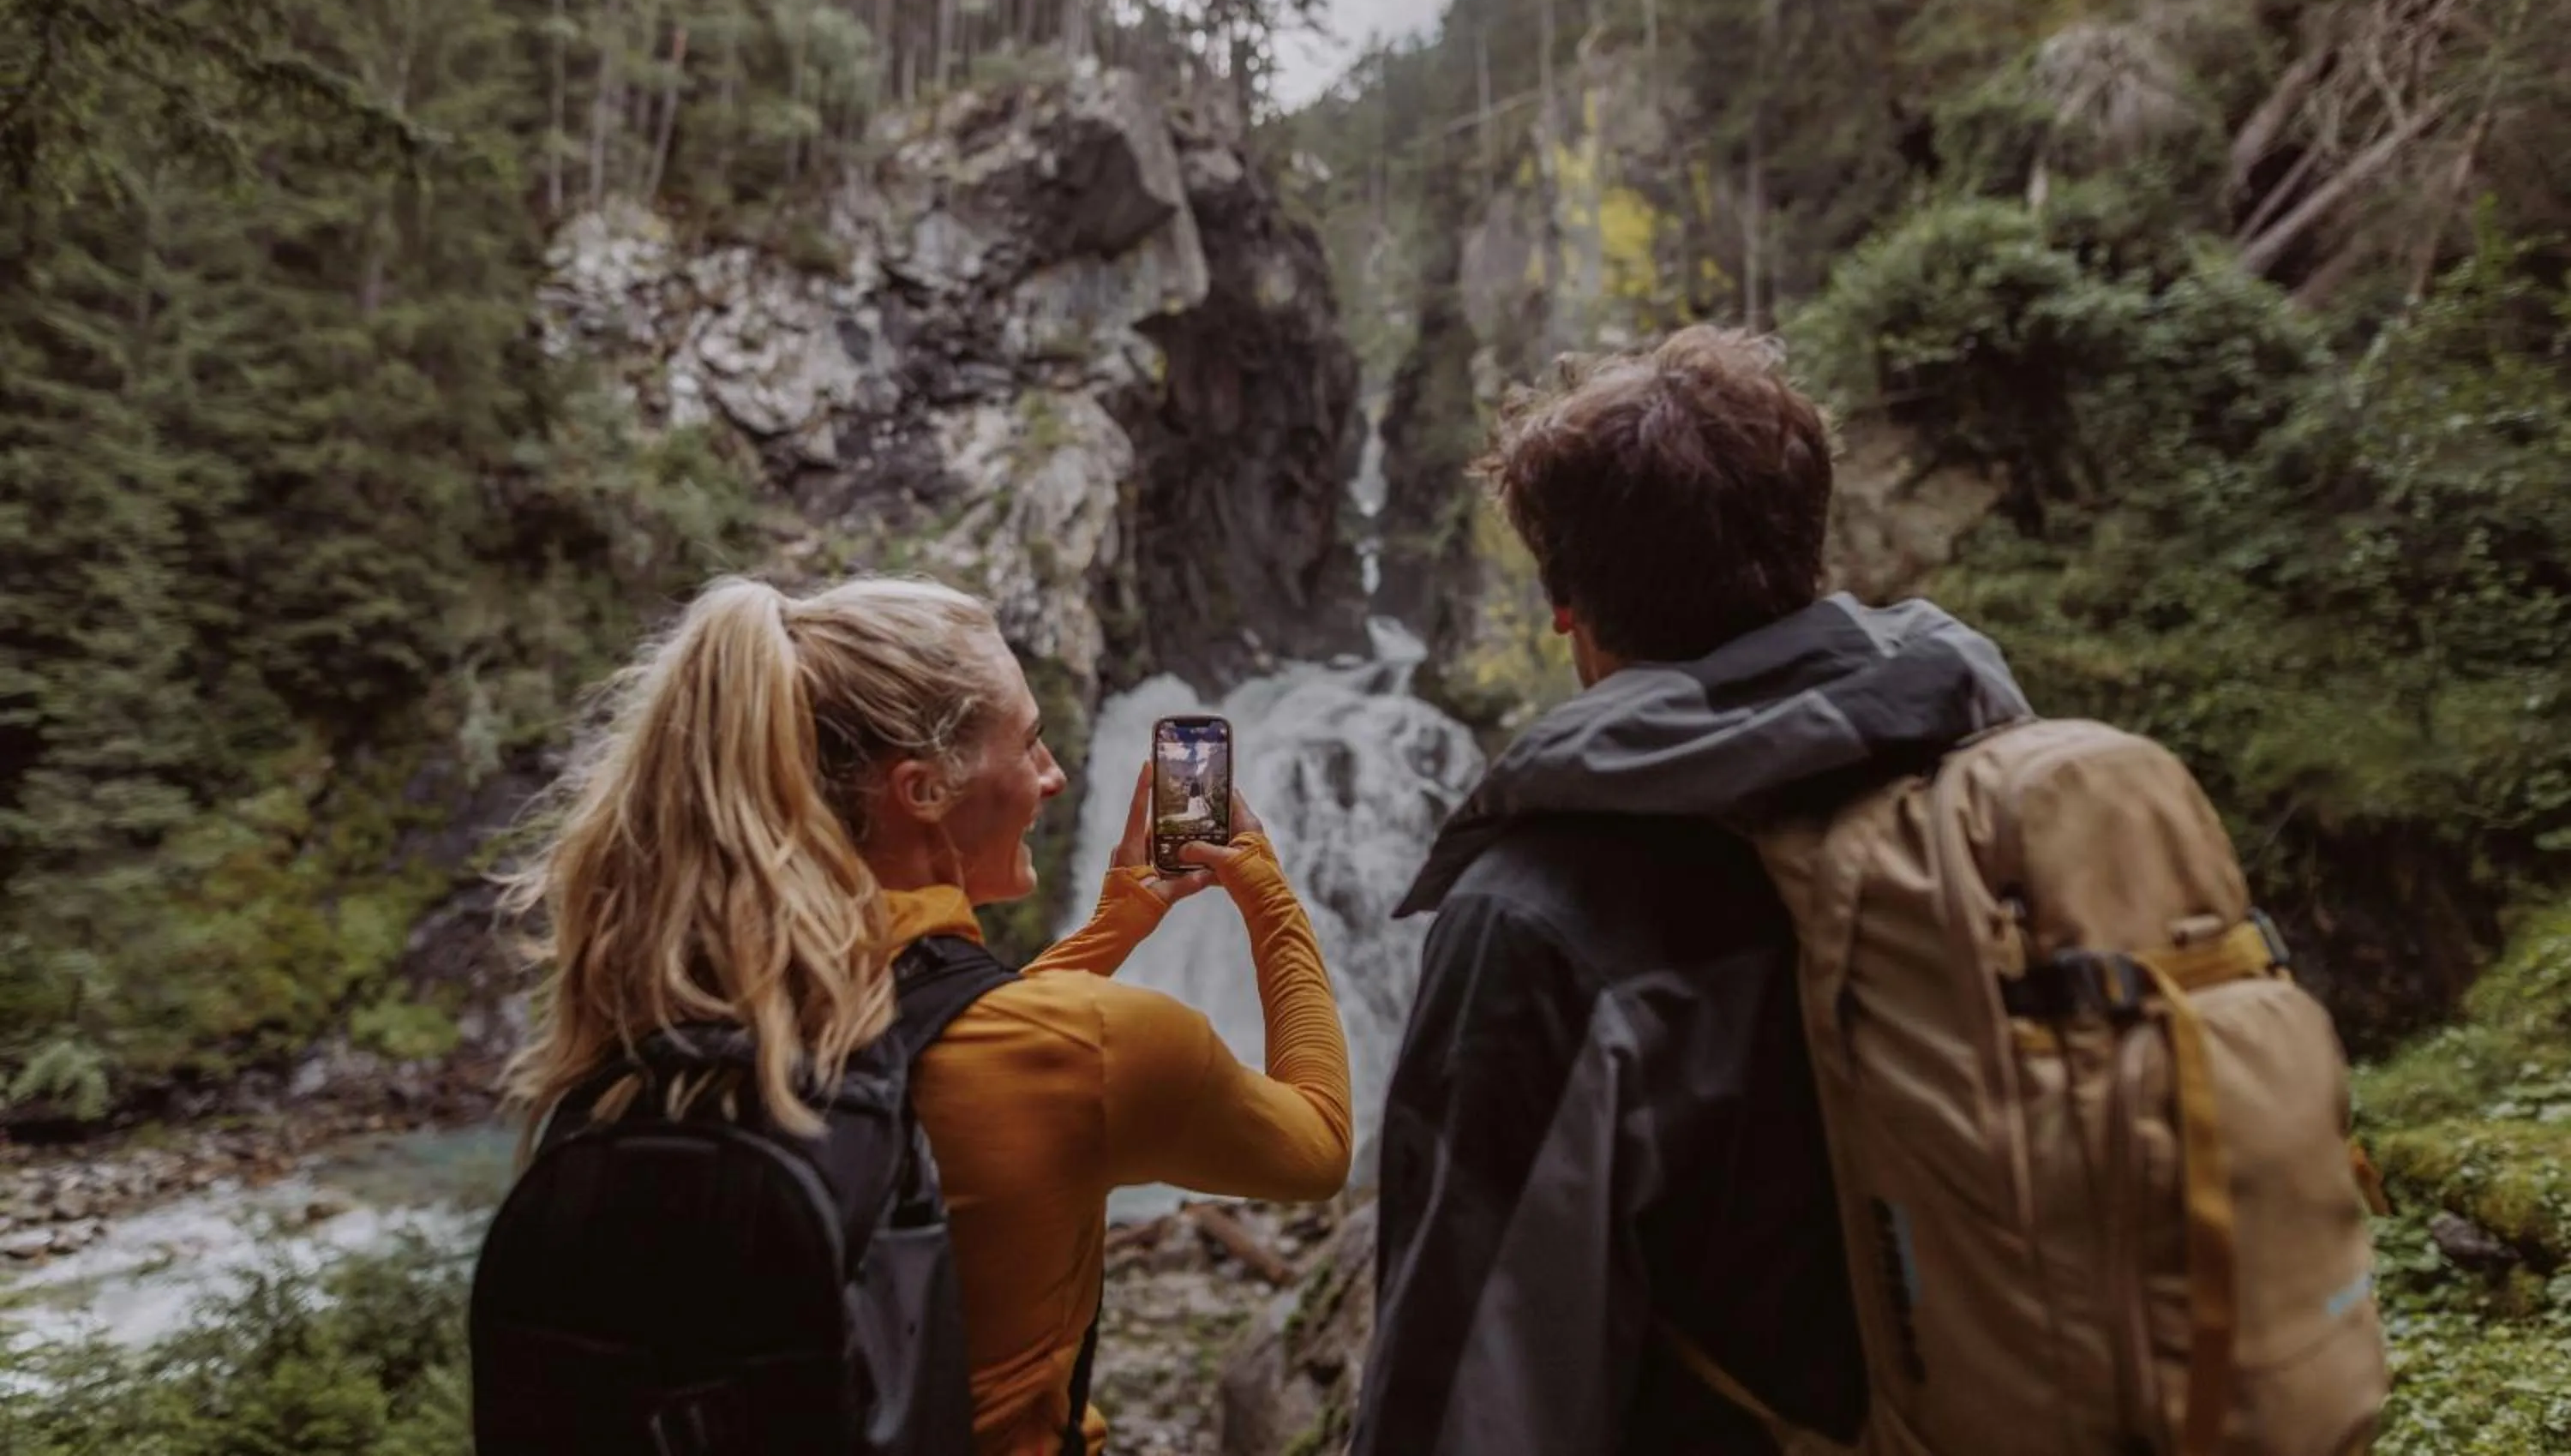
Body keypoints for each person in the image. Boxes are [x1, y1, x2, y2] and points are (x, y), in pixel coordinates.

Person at [1348, 327, 2033, 1455]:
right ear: (1805, 549)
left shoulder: (1541, 917)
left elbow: (1465, 1392)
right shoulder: (1981, 774)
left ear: (1565, 604)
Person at [499, 574, 1351, 1455]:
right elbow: (1320, 1144)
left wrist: (1110, 927)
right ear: (923, 789)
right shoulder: (1096, 1047)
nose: (1056, 775)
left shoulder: (668, 1005)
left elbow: (932, 1037)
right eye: (1029, 744)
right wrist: (1271, 902)